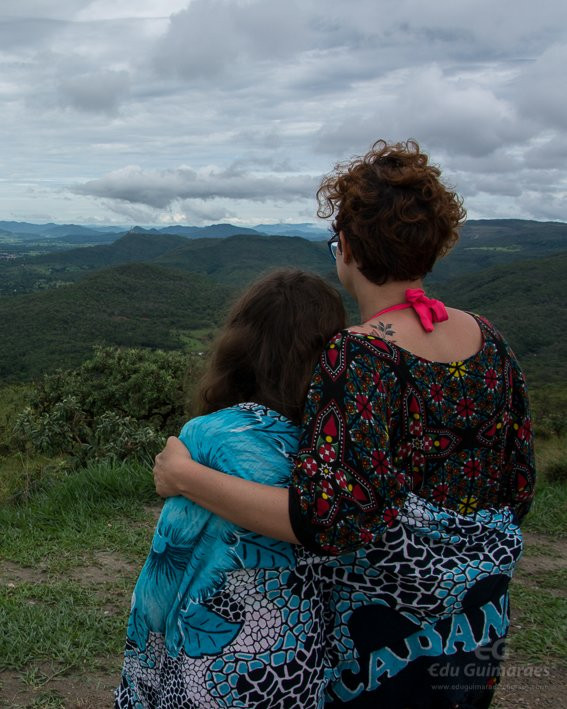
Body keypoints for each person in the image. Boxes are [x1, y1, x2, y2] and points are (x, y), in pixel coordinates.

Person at [152, 139, 536, 708]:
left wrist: (186, 477)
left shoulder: (358, 356)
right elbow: (519, 485)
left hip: (385, 641)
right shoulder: (489, 338)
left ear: (349, 248)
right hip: (476, 621)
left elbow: (322, 521)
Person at [117, 268, 347, 708]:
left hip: (209, 662)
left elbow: (167, 562)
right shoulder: (334, 444)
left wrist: (141, 677)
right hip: (298, 657)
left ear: (241, 346)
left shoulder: (209, 437)